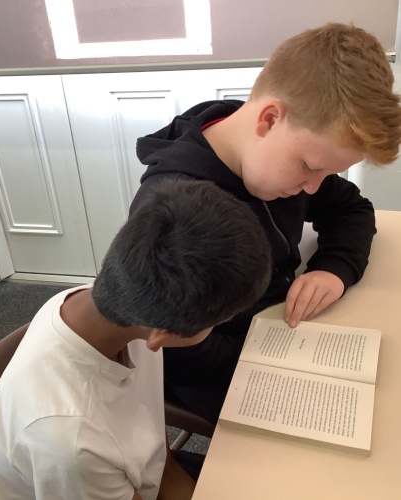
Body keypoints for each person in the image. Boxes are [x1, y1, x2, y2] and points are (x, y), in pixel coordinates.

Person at [130, 23, 401, 424]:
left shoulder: (280, 153)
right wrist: (272, 357)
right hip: (218, 366)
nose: (313, 187)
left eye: (327, 174)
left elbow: (352, 208)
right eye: (310, 167)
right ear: (269, 119)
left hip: (280, 325)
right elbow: (177, 349)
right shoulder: (178, 208)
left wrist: (334, 268)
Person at [0, 178, 272, 500]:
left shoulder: (116, 302)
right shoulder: (74, 439)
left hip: (139, 478)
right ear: (163, 335)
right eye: (217, 324)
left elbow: (158, 460)